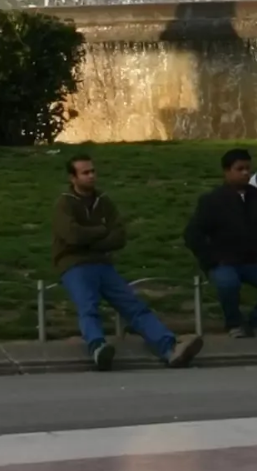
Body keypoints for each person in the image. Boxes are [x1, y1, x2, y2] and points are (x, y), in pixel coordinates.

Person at [53, 155, 203, 370]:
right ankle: (98, 348)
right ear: (72, 177)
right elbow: (72, 236)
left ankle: (170, 349)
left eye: (93, 171)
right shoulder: (64, 203)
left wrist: (91, 240)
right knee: (88, 307)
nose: (91, 176)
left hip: (103, 263)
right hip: (74, 265)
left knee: (134, 306)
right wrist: (101, 231)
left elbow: (119, 236)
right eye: (85, 173)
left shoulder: (104, 201)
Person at [185, 148, 257, 336]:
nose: (245, 173)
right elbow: (193, 234)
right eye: (239, 168)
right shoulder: (212, 201)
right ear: (227, 172)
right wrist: (211, 261)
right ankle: (234, 323)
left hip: (255, 262)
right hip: (223, 262)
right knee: (228, 283)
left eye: (248, 169)